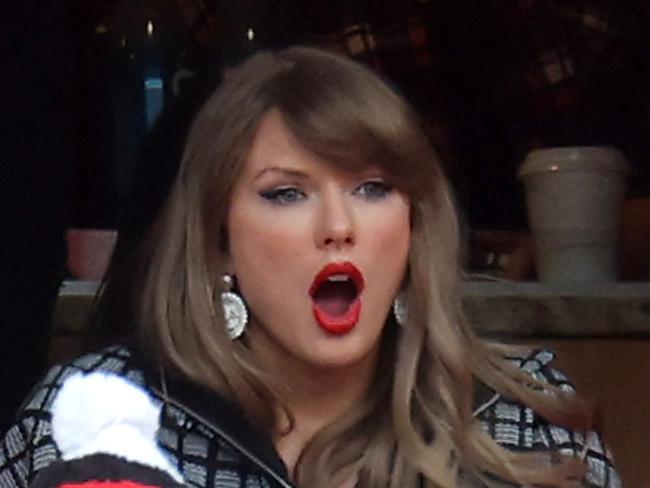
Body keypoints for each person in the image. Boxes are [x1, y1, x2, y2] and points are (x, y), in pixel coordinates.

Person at [0, 46, 619, 488]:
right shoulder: (93, 416)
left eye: (372, 188)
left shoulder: (525, 419)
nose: (338, 226)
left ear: (412, 227)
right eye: (286, 193)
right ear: (219, 241)